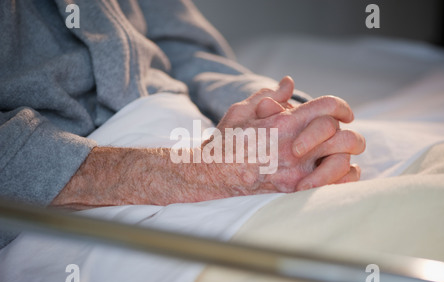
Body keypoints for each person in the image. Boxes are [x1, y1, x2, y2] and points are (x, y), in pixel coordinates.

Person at [0, 0, 365, 247]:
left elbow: (184, 50)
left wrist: (278, 114)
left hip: (198, 129)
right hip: (71, 197)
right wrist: (202, 174)